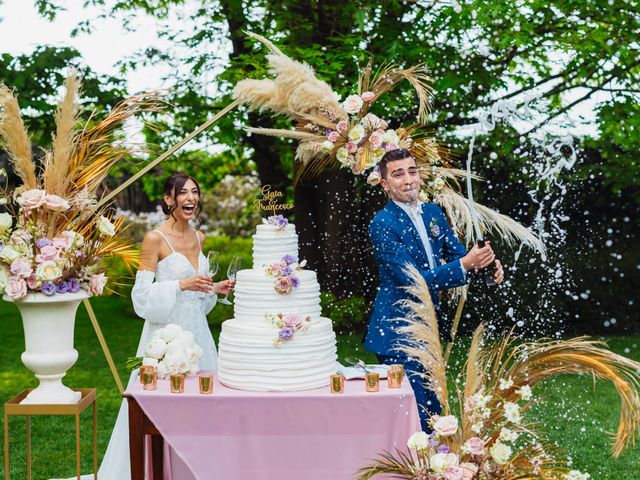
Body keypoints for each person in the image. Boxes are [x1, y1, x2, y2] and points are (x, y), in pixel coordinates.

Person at [92, 173, 234, 480]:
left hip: (199, 337)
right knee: (163, 410)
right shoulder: (155, 238)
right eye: (183, 193)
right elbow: (141, 297)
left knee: (205, 409)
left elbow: (197, 296)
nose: (191, 198)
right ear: (168, 199)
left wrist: (214, 288)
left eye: (195, 192)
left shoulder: (200, 237)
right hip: (166, 339)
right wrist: (180, 285)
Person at [365, 149, 504, 431]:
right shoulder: (382, 224)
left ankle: (436, 466)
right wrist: (465, 264)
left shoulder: (433, 212)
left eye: (412, 171)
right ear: (385, 184)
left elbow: (458, 256)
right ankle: (418, 468)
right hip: (398, 330)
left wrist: (485, 263)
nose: (407, 180)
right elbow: (411, 279)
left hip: (429, 325)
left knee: (433, 403)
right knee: (414, 411)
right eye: (398, 174)